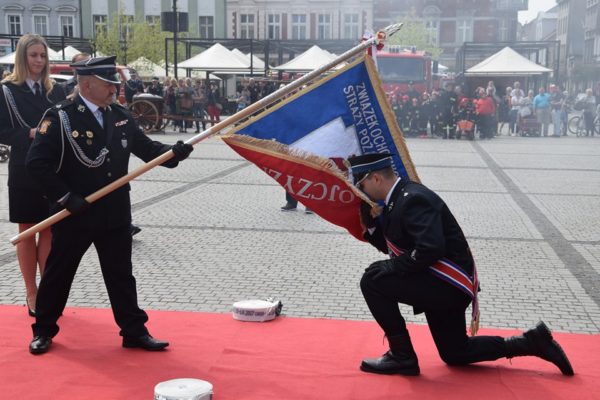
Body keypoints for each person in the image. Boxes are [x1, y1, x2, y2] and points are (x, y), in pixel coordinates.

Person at [349, 152, 574, 377]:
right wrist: (370, 225)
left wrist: (393, 268)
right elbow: (397, 246)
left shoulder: (412, 199)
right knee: (455, 353)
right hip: (440, 281)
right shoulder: (397, 199)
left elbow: (430, 248)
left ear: (376, 178)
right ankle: (531, 342)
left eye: (361, 184)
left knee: (371, 281)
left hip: (447, 283)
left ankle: (401, 356)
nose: (361, 191)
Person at [25, 56, 194, 355]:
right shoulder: (60, 116)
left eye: (115, 83)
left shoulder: (120, 115)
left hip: (114, 211)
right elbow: (37, 165)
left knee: (120, 274)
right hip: (75, 211)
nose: (115, 89)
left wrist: (174, 153)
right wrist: (65, 198)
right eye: (108, 84)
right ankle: (43, 330)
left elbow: (147, 150)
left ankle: (133, 331)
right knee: (59, 273)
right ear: (87, 84)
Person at [0, 34, 66, 317]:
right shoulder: (6, 91)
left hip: (52, 167)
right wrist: (27, 134)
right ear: (22, 57)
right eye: (33, 55)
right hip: (23, 166)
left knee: (50, 227)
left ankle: (48, 291)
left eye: (43, 56)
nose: (39, 61)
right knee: (27, 229)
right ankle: (31, 292)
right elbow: (2, 130)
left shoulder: (56, 91)